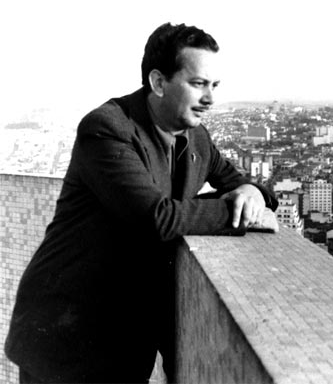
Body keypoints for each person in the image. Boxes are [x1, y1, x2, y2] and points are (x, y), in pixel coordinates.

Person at [5, 22, 278, 384]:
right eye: (198, 84)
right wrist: (238, 213)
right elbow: (157, 218)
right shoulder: (107, 128)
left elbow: (242, 182)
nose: (210, 99)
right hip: (65, 340)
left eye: (215, 86)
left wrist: (253, 194)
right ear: (159, 82)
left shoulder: (197, 137)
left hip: (124, 339)